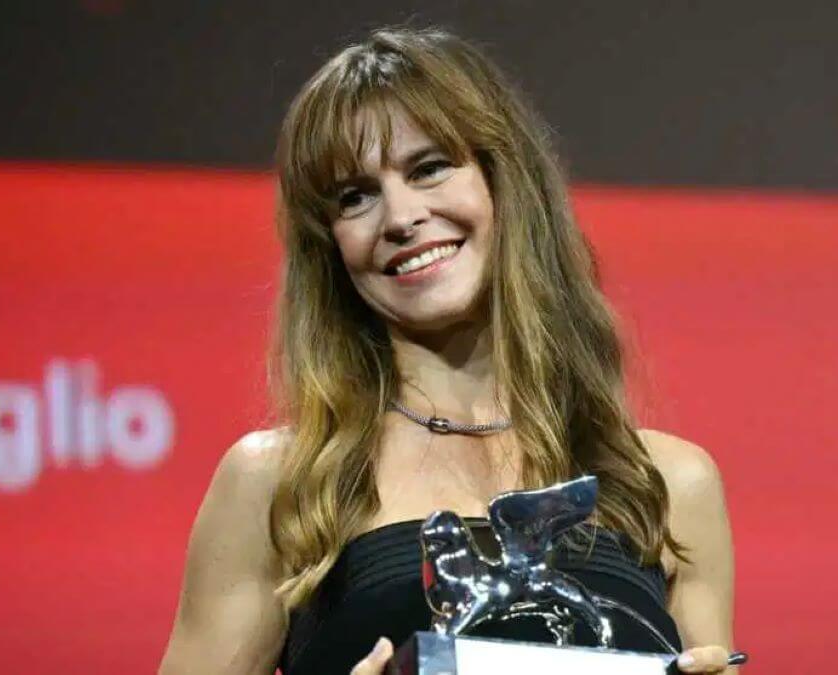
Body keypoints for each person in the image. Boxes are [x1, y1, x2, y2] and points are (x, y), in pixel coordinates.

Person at [159, 27, 738, 675]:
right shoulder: (281, 485)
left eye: (428, 167)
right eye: (355, 197)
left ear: (502, 181)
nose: (400, 217)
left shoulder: (668, 483)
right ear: (330, 248)